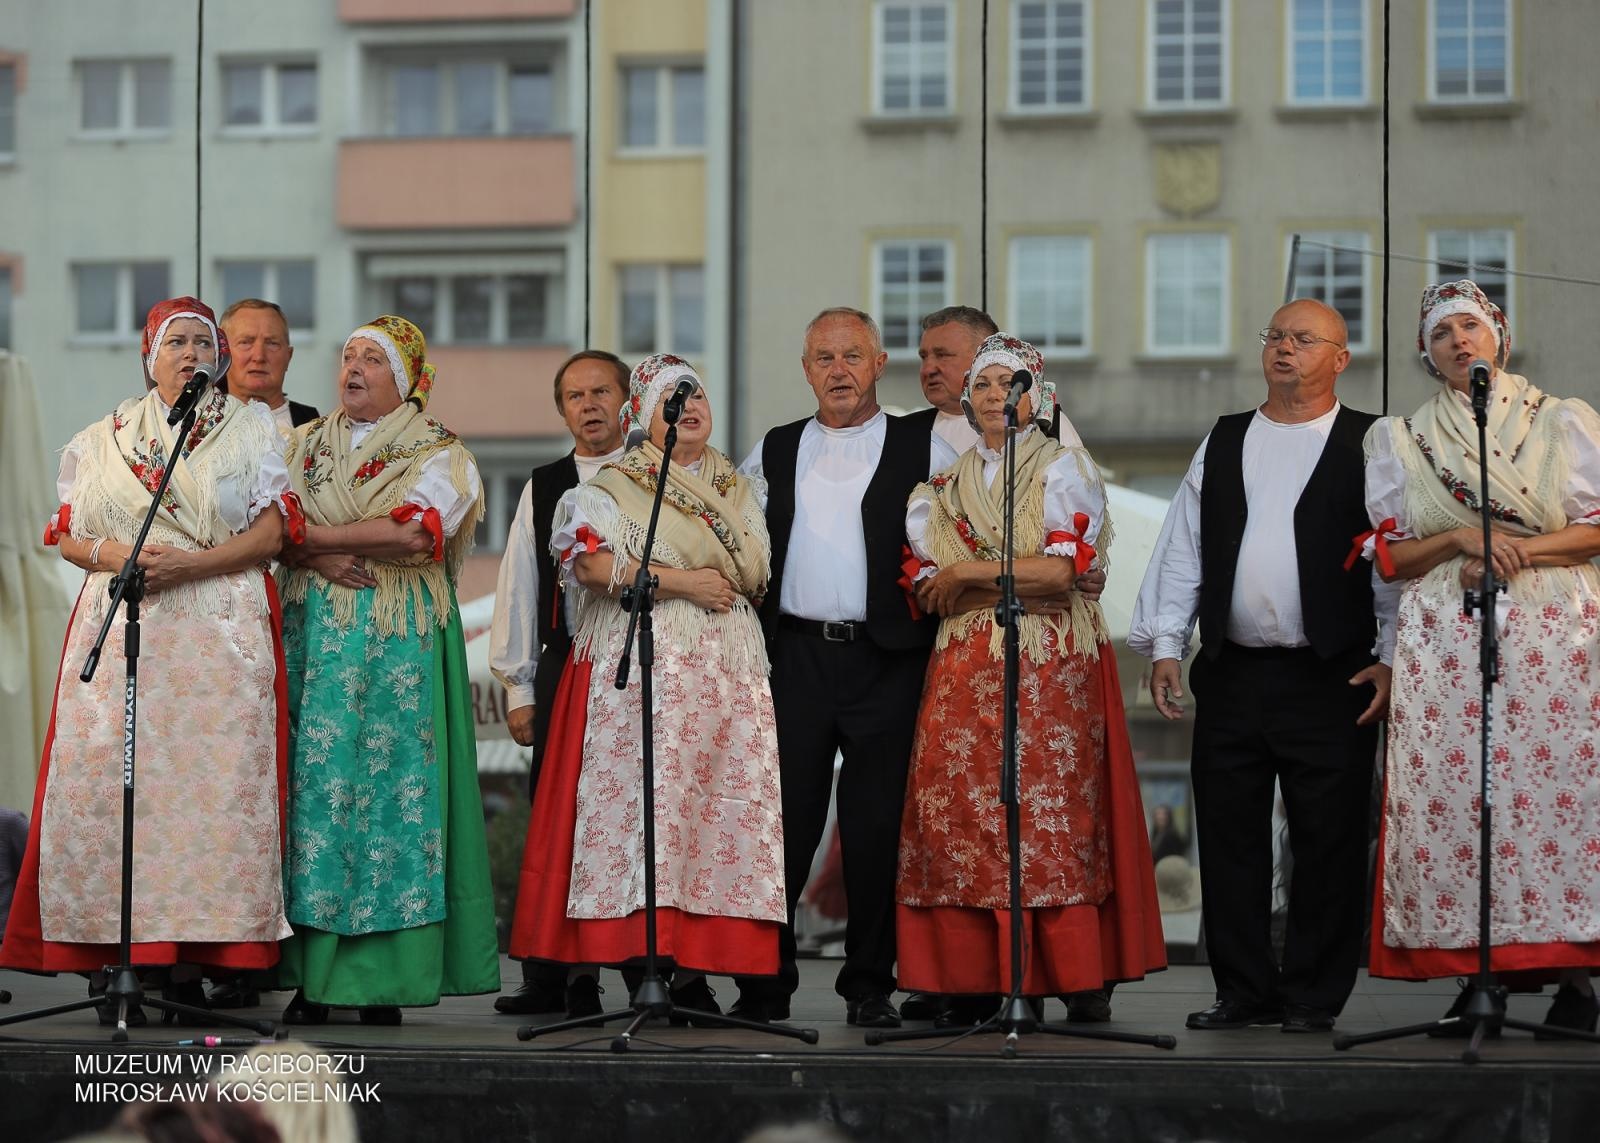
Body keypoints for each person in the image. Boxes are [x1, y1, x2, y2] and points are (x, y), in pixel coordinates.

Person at [0, 297, 292, 1024]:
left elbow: (272, 533)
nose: (190, 353)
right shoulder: (101, 439)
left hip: (217, 636)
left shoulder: (252, 427)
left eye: (203, 341)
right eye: (175, 342)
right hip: (122, 617)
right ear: (147, 356)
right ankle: (117, 960)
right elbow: (68, 535)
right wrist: (116, 557)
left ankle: (191, 968)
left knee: (207, 803)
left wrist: (189, 566)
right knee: (116, 793)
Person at [1129, 297, 1394, 1034]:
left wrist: (1393, 659)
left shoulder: (1373, 442)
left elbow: (1394, 562)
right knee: (1229, 835)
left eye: (1303, 339)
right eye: (1275, 335)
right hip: (1235, 672)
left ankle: (1312, 994)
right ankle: (1244, 989)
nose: (1284, 348)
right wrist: (1164, 644)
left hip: (1333, 674)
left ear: (1340, 358)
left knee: (1328, 840)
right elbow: (1183, 548)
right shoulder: (1225, 438)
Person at [896, 332, 1165, 1025]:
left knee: (1052, 815)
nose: (994, 396)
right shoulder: (940, 488)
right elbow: (931, 593)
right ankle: (976, 977)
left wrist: (966, 574)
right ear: (966, 399)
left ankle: (1074, 975)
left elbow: (1061, 572)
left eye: (1008, 382)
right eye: (982, 384)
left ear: (1037, 395)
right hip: (963, 667)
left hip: (1048, 663)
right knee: (964, 818)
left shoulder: (1064, 467)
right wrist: (998, 579)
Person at [507, 354, 784, 1018]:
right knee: (637, 819)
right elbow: (592, 565)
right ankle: (637, 963)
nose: (687, 406)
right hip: (635, 675)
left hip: (722, 679)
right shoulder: (615, 484)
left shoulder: (741, 487)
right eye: (670, 397)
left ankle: (692, 971)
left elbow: (757, 572)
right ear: (644, 416)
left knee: (708, 821)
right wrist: (683, 580)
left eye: (694, 395)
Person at [1359, 280, 1600, 1035]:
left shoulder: (1564, 420)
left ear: (1499, 335)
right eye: (1440, 334)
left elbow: (1596, 526)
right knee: (1462, 804)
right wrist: (1462, 540)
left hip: (1556, 633)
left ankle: (1576, 975)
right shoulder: (1399, 437)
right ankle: (1476, 972)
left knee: (1559, 799)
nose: (1458, 341)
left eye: (1470, 326)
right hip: (1447, 638)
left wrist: (1516, 551)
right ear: (1427, 355)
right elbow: (1388, 556)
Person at [730, 308, 956, 1029]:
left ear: (879, 362)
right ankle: (765, 986)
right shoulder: (773, 447)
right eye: (823, 357)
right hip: (793, 659)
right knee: (784, 825)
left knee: (875, 828)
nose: (838, 370)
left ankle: (869, 986)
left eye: (851, 355)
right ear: (805, 369)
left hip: (888, 657)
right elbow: (729, 533)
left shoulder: (929, 437)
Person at [274, 314, 500, 1026]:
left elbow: (413, 532)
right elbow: (269, 523)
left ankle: (385, 984)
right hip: (315, 640)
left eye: (372, 357)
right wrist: (312, 554)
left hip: (394, 641)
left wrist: (313, 539)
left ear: (403, 377)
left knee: (394, 809)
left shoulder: (441, 451)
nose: (354, 367)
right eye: (347, 355)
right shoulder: (302, 444)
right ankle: (313, 980)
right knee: (316, 807)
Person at [489, 350, 628, 1017]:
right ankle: (554, 975)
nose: (590, 404)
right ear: (562, 408)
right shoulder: (545, 483)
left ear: (628, 400)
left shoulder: (652, 474)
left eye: (602, 390)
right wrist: (520, 687)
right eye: (576, 394)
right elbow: (518, 581)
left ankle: (642, 971)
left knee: (628, 817)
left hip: (636, 664)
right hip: (566, 659)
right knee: (559, 823)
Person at [909, 306, 1084, 455]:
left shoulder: (1046, 426)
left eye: (943, 355)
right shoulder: (907, 433)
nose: (928, 369)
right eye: (923, 357)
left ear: (985, 355)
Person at [219, 299, 319, 439]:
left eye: (272, 344)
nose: (259, 356)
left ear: (288, 357)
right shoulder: (196, 427)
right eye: (246, 342)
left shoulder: (317, 428)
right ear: (222, 354)